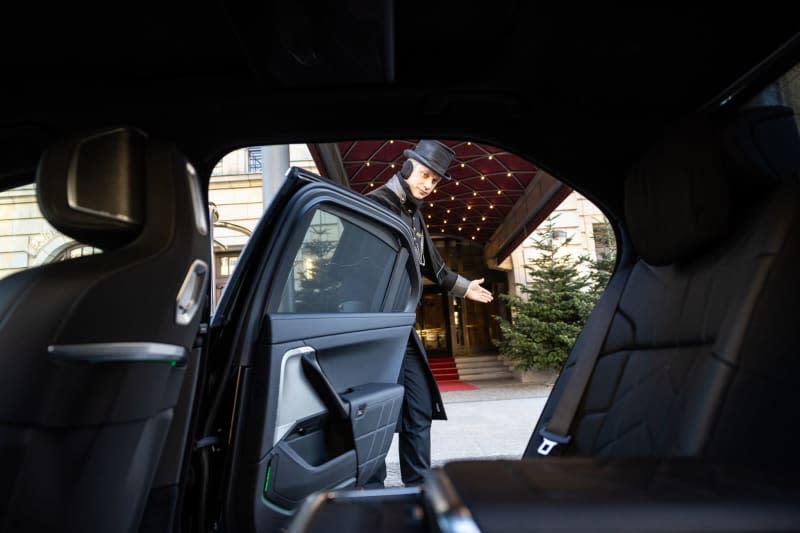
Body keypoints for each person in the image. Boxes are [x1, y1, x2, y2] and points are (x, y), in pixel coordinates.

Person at [365, 139, 494, 487]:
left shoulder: (413, 214)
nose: (427, 184)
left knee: (419, 406)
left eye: (434, 180)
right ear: (406, 168)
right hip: (377, 330)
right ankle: (372, 488)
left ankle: (418, 485)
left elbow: (434, 269)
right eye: (424, 175)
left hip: (403, 329)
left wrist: (466, 287)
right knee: (375, 412)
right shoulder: (375, 206)